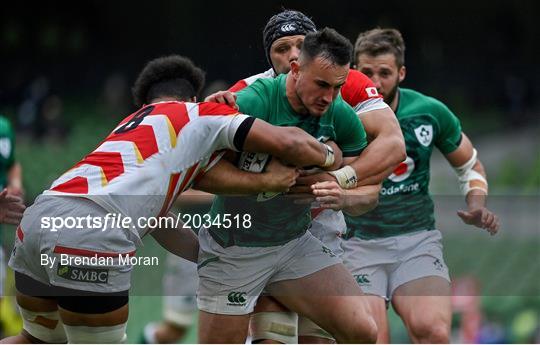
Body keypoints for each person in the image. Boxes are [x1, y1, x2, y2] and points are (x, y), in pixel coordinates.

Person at [1, 55, 336, 344]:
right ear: (194, 96)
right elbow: (290, 145)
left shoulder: (129, 127)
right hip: (92, 235)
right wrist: (336, 158)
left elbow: (160, 221)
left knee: (36, 339)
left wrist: (213, 258)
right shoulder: (198, 114)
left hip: (37, 223)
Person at [205, 10, 405, 343]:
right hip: (256, 234)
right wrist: (266, 180)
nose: (292, 54)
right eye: (282, 48)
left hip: (319, 230)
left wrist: (339, 176)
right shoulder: (252, 93)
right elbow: (204, 159)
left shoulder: (346, 82)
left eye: (300, 44)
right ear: (270, 56)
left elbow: (393, 144)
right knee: (273, 337)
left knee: (328, 336)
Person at [340, 28, 500, 343]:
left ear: (401, 73)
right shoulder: (336, 111)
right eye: (367, 72)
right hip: (356, 245)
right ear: (354, 71)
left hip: (415, 242)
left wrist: (477, 204)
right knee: (369, 337)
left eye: (384, 73)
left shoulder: (428, 111)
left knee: (434, 331)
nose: (375, 82)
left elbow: (470, 165)